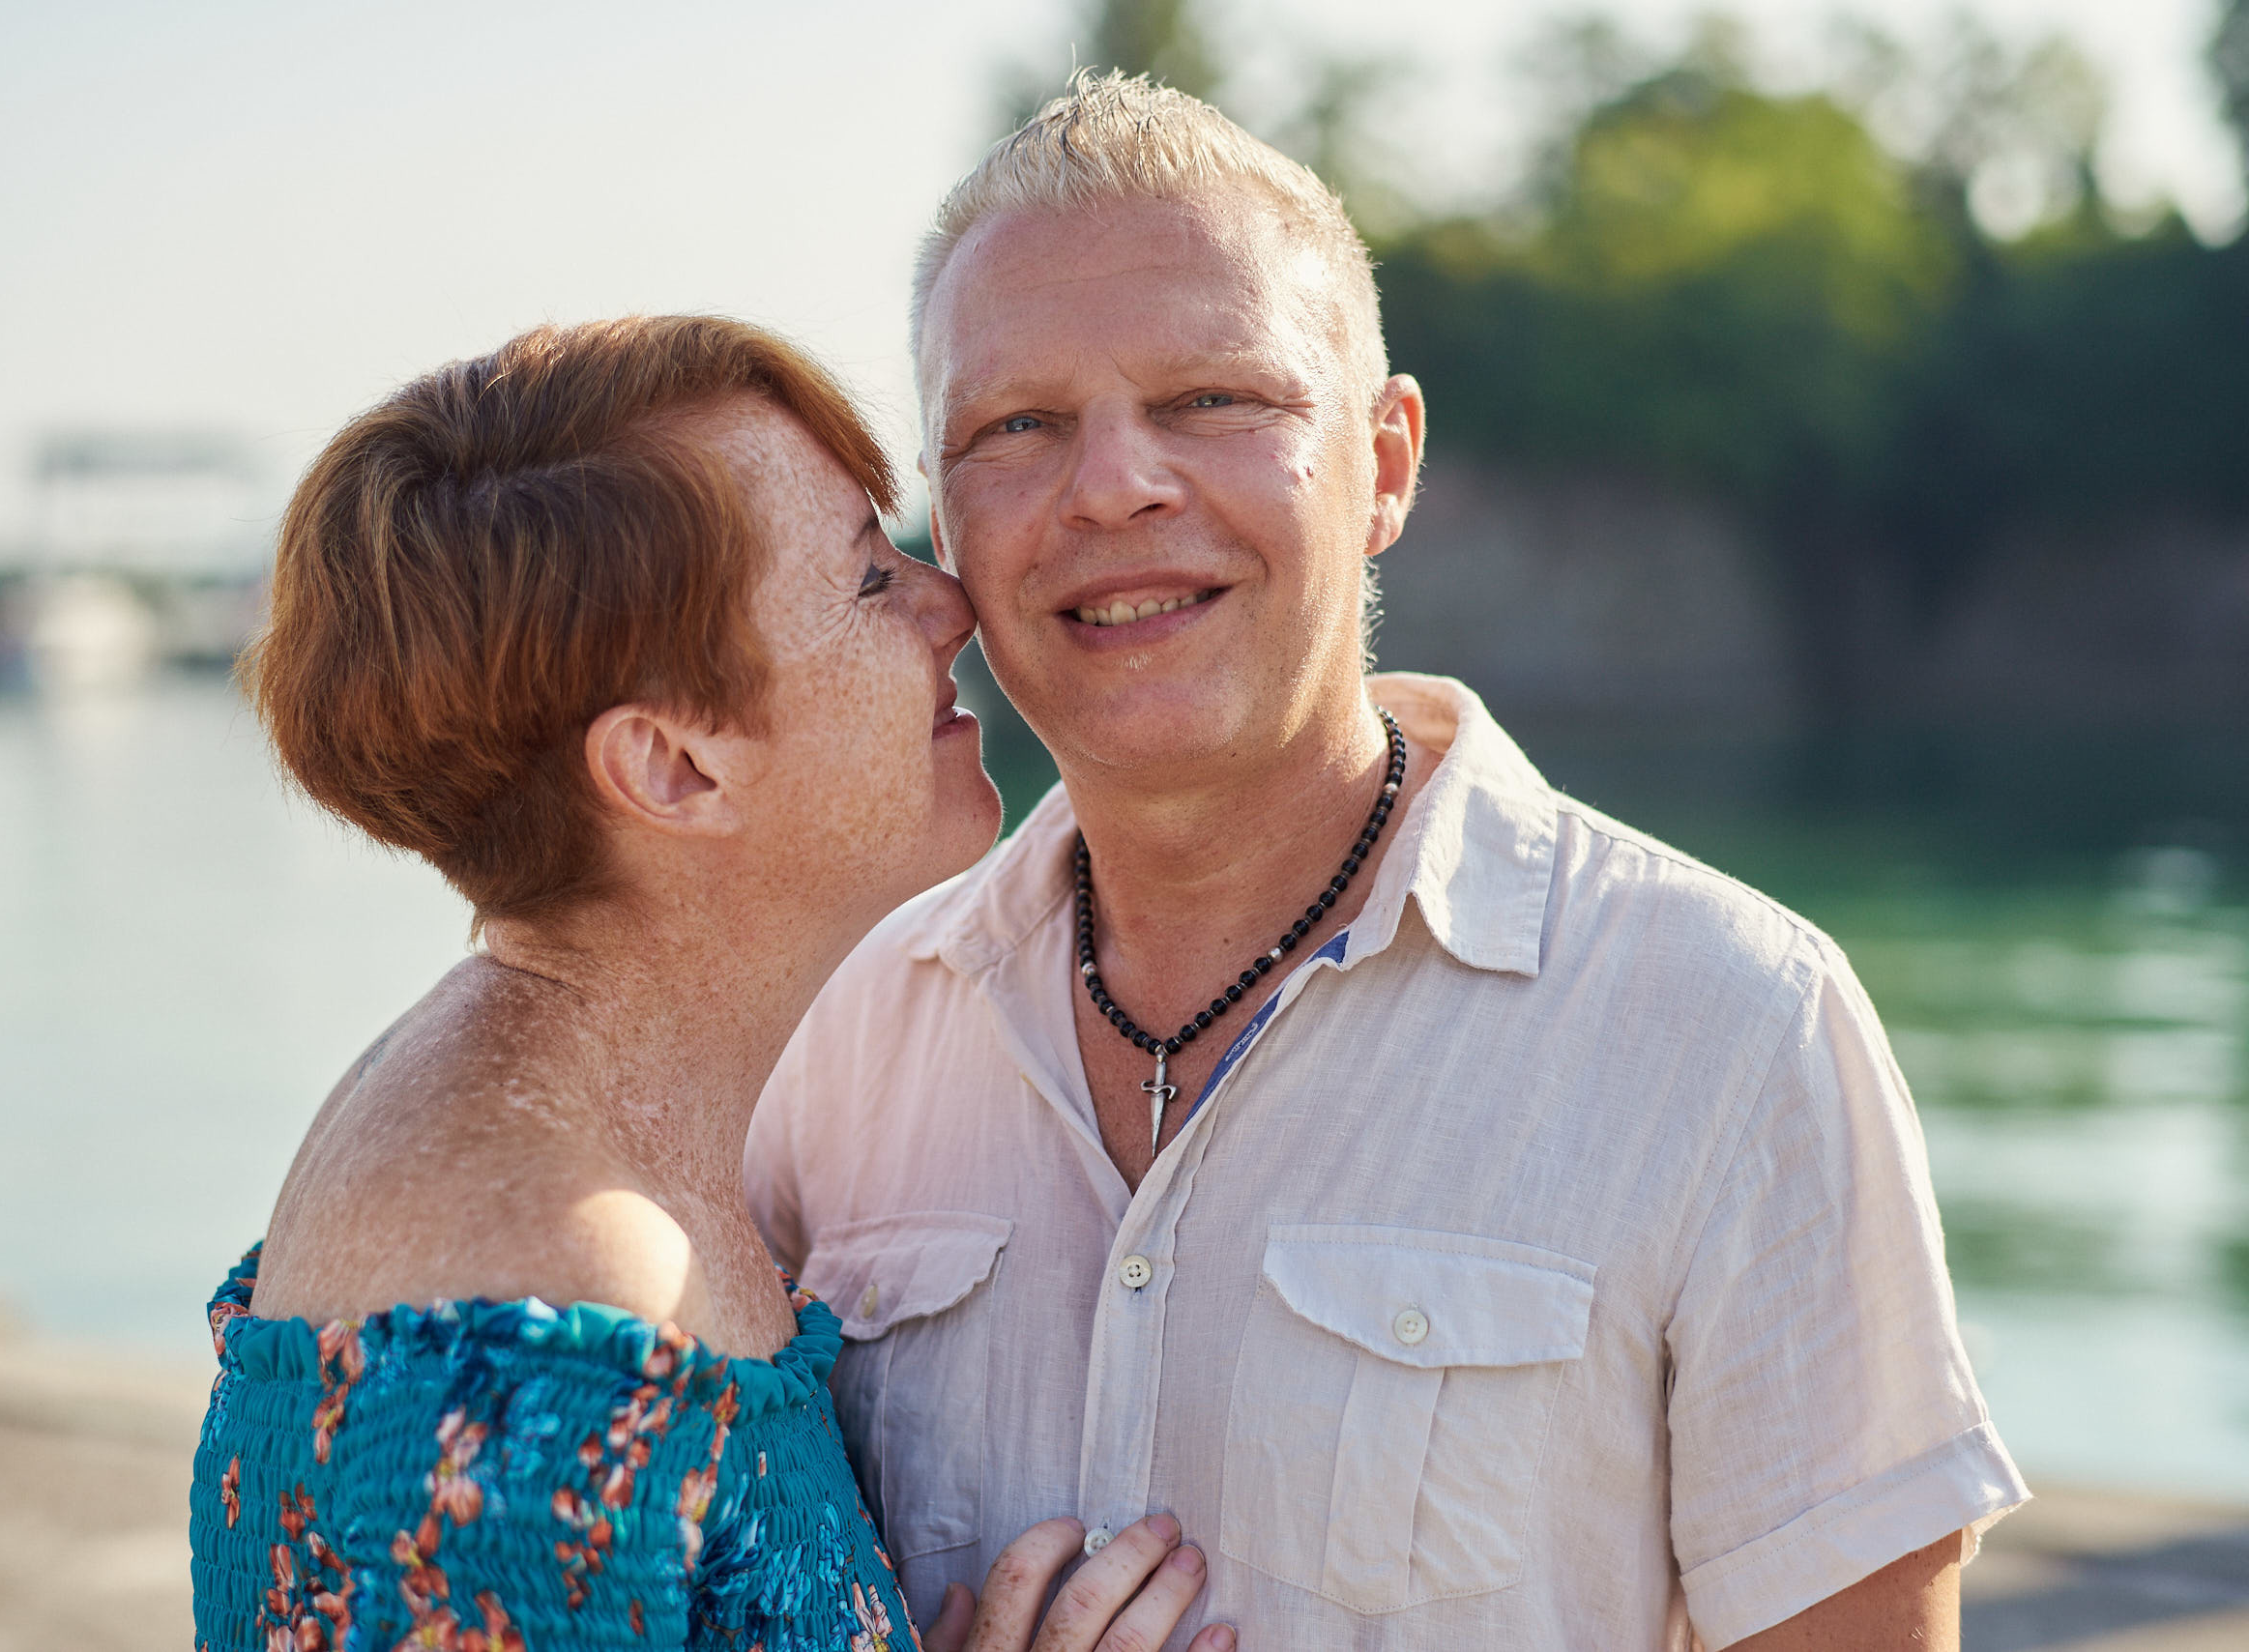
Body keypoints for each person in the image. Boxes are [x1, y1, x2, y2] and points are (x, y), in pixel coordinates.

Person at [745, 73, 2029, 1651]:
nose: (1113, 483)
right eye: (1017, 428)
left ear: (1387, 462)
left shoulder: (1738, 1030)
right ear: (949, 520)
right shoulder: (826, 1041)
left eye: (1214, 399)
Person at [191, 315, 1235, 1652]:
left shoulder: (563, 1111)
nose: (950, 602)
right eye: (868, 580)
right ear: (675, 767)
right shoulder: (550, 1286)